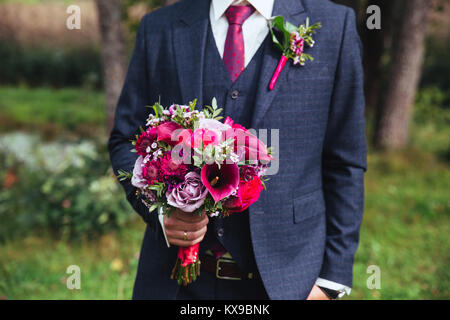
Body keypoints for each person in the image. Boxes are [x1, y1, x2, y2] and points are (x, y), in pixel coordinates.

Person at [108, 0, 367, 300]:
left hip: (289, 283)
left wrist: (330, 281)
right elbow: (127, 139)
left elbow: (345, 160)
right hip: (174, 283)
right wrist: (161, 215)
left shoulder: (335, 26)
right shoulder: (160, 28)